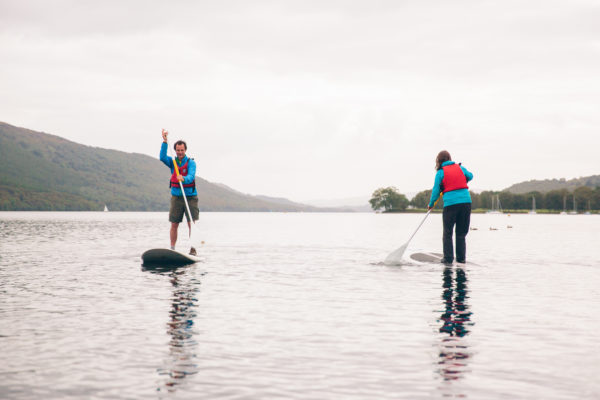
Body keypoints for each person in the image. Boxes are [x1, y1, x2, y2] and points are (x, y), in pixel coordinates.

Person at [428, 150, 473, 264]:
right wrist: (462, 178)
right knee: (461, 234)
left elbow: (436, 191)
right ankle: (461, 259)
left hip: (451, 205)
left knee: (447, 233)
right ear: (450, 158)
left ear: (438, 161)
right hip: (466, 203)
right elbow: (470, 176)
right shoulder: (460, 168)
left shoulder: (440, 173)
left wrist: (431, 204)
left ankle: (448, 259)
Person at [160, 129, 199, 251]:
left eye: (182, 150)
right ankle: (172, 248)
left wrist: (183, 178)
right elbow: (161, 157)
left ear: (185, 150)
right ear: (175, 150)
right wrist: (165, 141)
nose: (180, 152)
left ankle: (193, 249)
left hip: (190, 197)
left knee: (191, 224)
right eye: (178, 150)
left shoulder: (191, 163)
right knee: (174, 224)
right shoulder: (172, 162)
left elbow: (191, 176)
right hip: (176, 197)